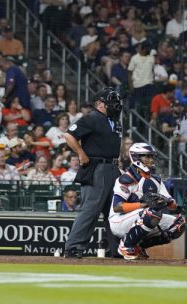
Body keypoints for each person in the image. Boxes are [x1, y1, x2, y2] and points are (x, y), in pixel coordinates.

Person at [63, 87, 123, 258]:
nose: (115, 105)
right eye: (111, 101)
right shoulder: (92, 118)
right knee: (91, 209)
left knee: (114, 210)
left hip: (112, 168)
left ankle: (116, 248)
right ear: (100, 104)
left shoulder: (114, 121)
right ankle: (74, 247)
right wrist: (81, 153)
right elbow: (68, 135)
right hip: (97, 167)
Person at [108, 143, 186, 260]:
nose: (151, 160)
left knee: (178, 224)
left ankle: (138, 246)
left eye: (152, 157)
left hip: (143, 218)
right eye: (147, 156)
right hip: (119, 221)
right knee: (151, 212)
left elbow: (173, 207)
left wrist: (167, 201)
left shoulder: (156, 180)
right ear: (136, 158)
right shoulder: (126, 178)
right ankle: (126, 246)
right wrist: (143, 204)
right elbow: (117, 207)